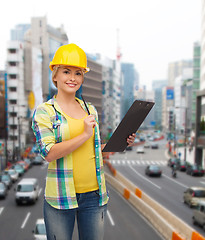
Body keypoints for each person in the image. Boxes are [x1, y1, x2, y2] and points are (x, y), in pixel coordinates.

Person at [32, 43, 136, 240]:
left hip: (94, 196)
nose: (73, 78)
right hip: (60, 199)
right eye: (66, 71)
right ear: (55, 75)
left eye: (78, 73)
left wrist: (121, 143)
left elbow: (93, 151)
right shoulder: (45, 111)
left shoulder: (90, 109)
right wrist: (83, 135)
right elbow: (48, 153)